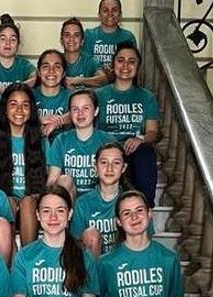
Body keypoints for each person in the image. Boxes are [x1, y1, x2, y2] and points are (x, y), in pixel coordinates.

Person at [99, 189, 183, 297]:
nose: (134, 217)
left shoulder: (168, 258)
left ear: (150, 213)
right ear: (118, 222)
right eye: (127, 213)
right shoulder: (106, 262)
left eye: (139, 211)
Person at [0, 83, 60, 246]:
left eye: (25, 105)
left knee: (27, 202)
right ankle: (8, 258)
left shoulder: (41, 141)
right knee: (8, 200)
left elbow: (50, 176)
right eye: (13, 105)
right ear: (5, 109)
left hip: (33, 201)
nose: (19, 110)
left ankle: (27, 258)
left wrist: (39, 197)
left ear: (31, 110)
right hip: (5, 200)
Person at [96, 42, 160, 206]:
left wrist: (141, 139)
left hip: (134, 151)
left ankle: (144, 207)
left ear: (138, 67)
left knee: (145, 152)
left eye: (131, 61)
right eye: (120, 60)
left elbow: (153, 132)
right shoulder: (99, 95)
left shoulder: (147, 97)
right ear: (113, 64)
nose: (125, 65)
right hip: (108, 150)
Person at [70, 143, 153, 259]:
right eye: (104, 162)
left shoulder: (134, 202)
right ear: (95, 166)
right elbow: (76, 243)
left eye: (116, 163)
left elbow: (147, 241)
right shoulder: (82, 203)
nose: (109, 168)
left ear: (123, 168)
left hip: (125, 264)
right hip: (95, 267)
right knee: (91, 234)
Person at [48, 89, 117, 199]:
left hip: (98, 198)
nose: (80, 113)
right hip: (71, 199)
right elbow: (52, 180)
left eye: (86, 108)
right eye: (75, 109)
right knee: (64, 180)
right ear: (70, 113)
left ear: (96, 111)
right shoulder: (61, 140)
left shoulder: (107, 141)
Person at [0, 15, 36, 93]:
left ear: (18, 44)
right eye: (3, 39)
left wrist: (16, 88)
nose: (8, 43)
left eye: (13, 39)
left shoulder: (23, 65)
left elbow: (34, 77)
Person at [84, 0, 137, 73]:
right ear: (99, 15)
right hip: (94, 82)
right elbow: (86, 65)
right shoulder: (89, 35)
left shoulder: (128, 37)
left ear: (120, 14)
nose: (110, 14)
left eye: (114, 10)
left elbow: (131, 66)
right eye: (105, 10)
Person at [32, 50, 71, 139]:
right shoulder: (28, 96)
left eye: (57, 67)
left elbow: (80, 112)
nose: (51, 71)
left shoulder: (72, 96)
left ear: (64, 73)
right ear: (38, 72)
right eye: (46, 66)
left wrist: (58, 121)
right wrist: (39, 120)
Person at [60, 17, 108, 89]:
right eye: (67, 35)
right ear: (61, 40)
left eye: (76, 35)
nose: (71, 39)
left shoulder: (90, 61)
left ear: (82, 41)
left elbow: (103, 79)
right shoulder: (57, 60)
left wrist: (78, 81)